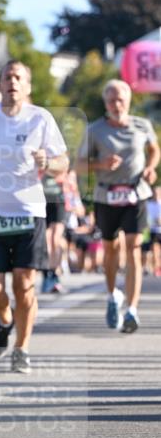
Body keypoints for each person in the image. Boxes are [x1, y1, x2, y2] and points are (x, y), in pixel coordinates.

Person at [0, 61, 69, 373]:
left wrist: (49, 162)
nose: (12, 82)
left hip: (29, 212)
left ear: (28, 86)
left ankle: (21, 348)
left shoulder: (40, 118)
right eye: (7, 77)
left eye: (18, 77)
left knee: (24, 283)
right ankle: (5, 319)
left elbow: (63, 162)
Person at [76, 79, 159, 332]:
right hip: (106, 196)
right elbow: (79, 165)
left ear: (129, 101)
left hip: (136, 194)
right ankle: (113, 296)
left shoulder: (142, 125)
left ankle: (132, 310)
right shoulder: (94, 130)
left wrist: (150, 167)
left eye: (121, 100)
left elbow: (154, 150)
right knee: (111, 250)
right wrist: (100, 165)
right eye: (111, 100)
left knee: (133, 247)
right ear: (105, 103)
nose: (116, 105)